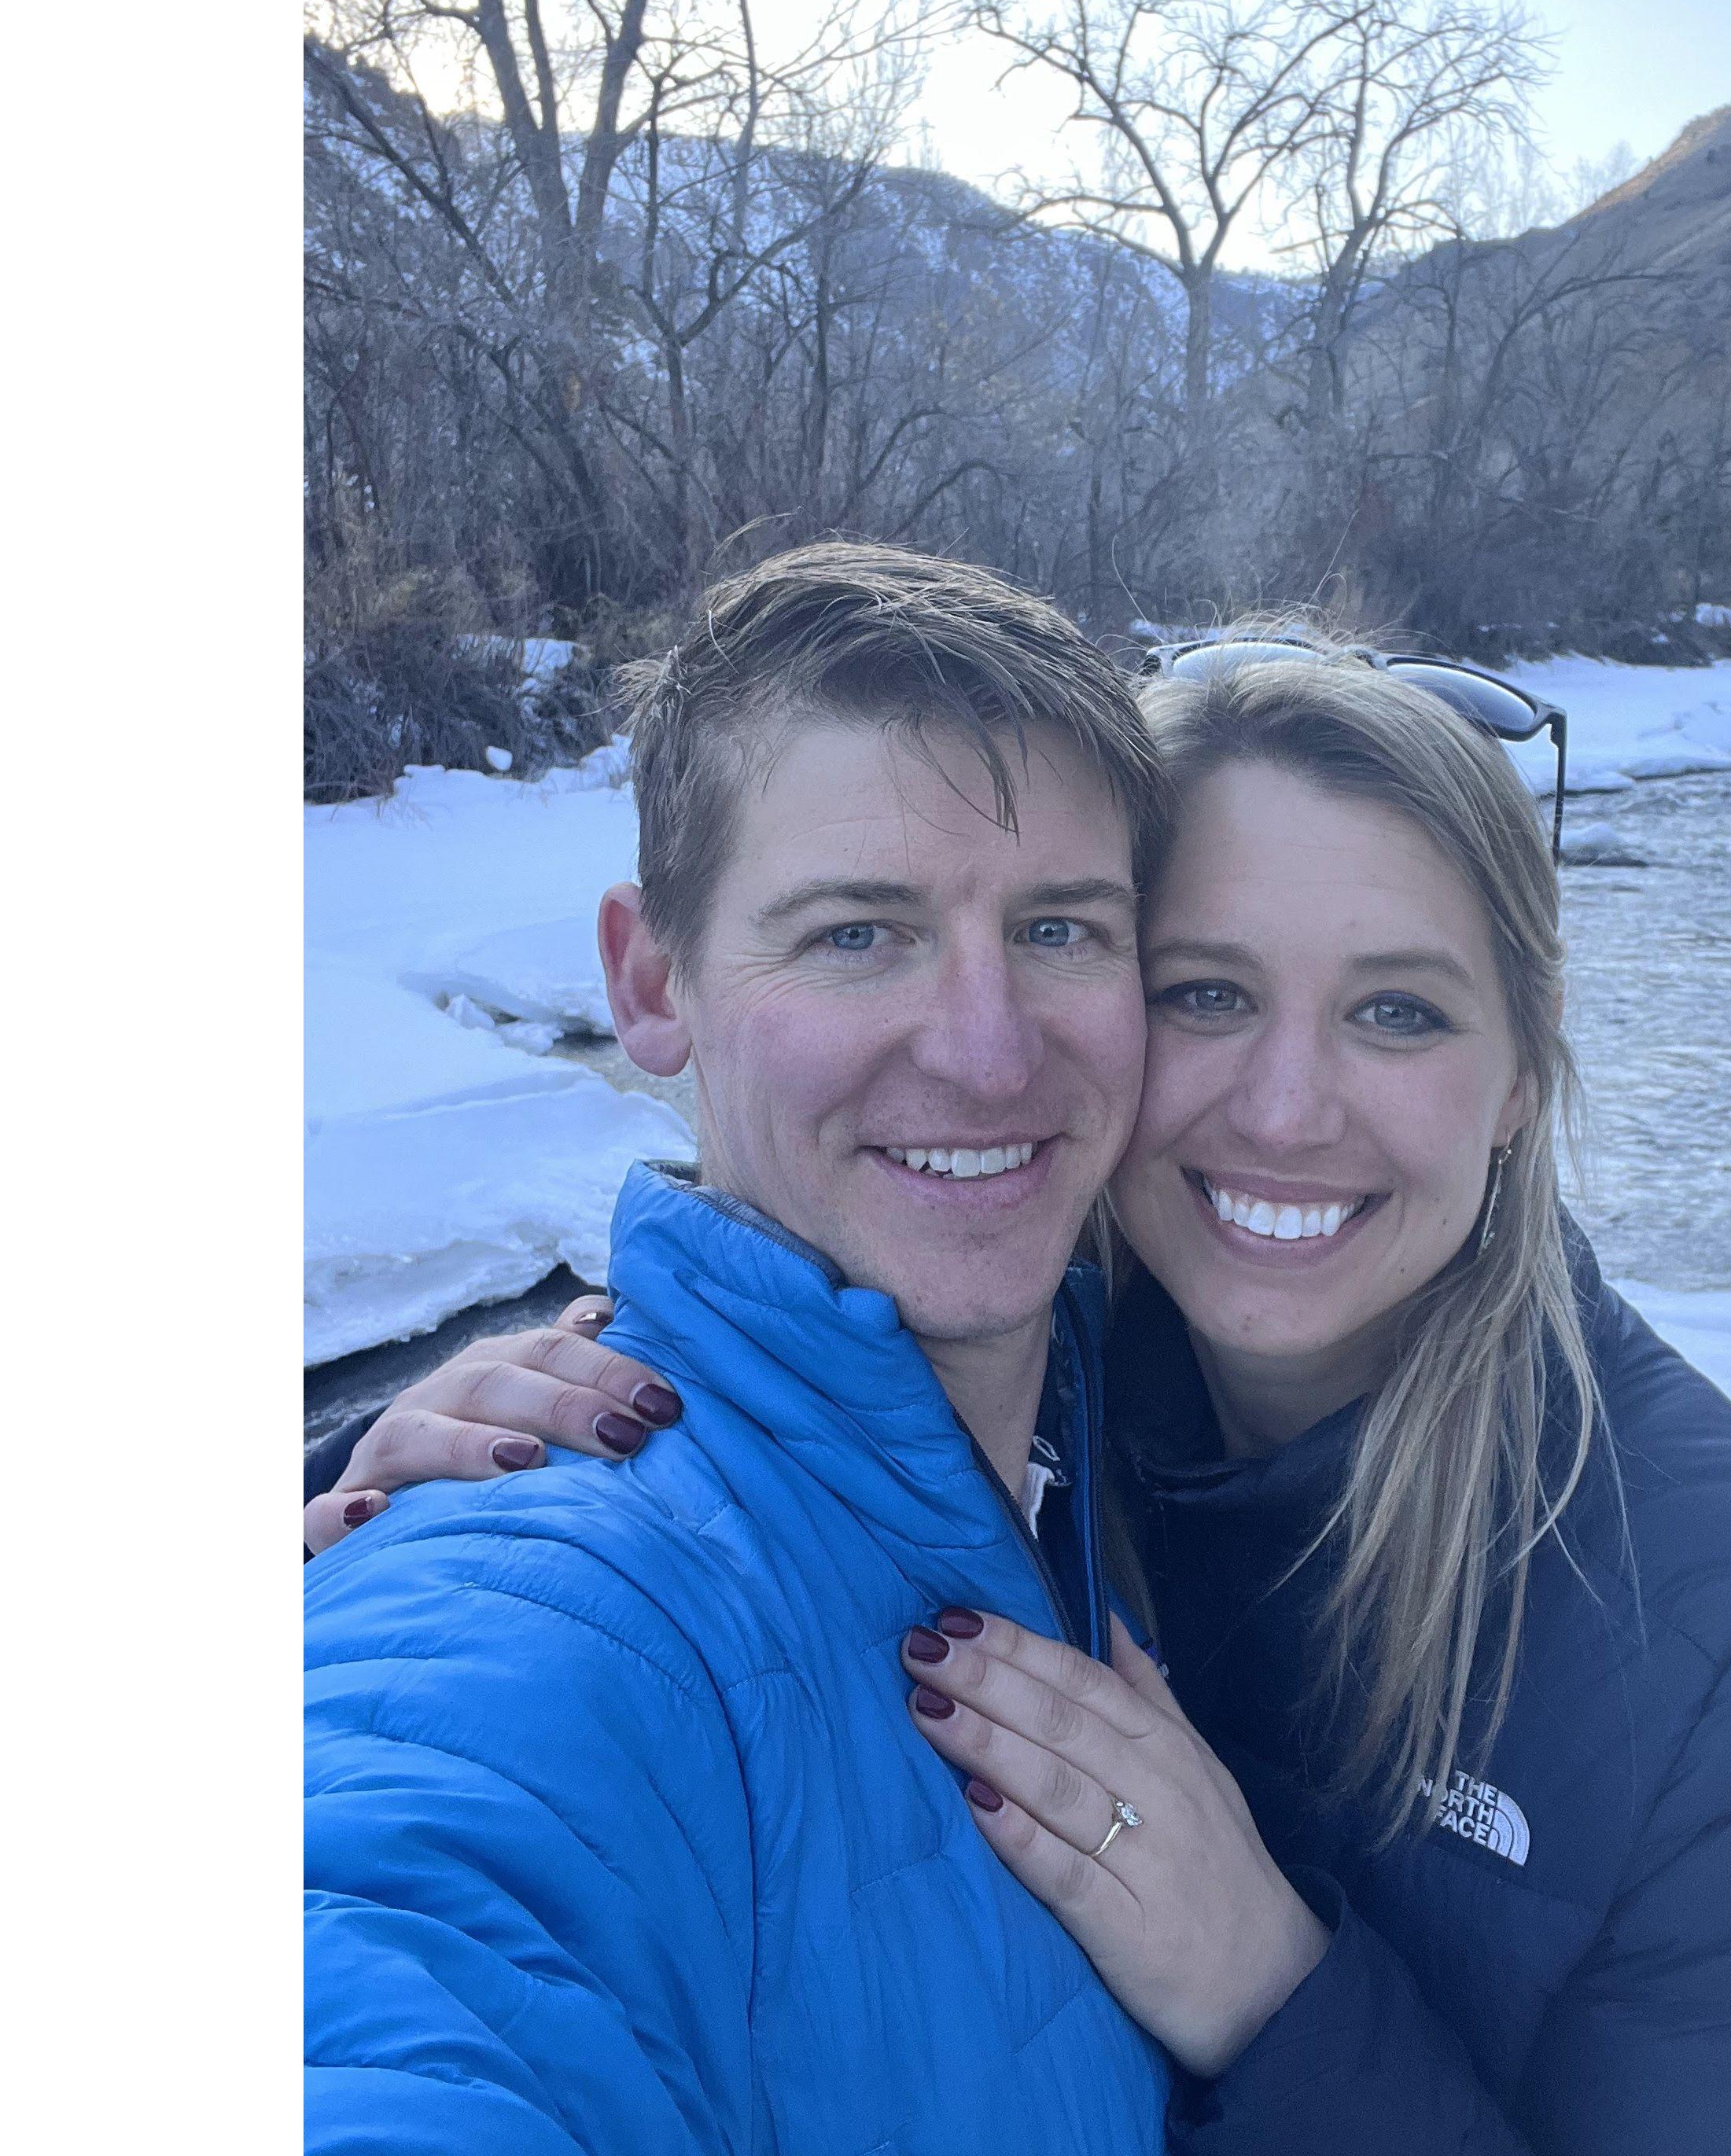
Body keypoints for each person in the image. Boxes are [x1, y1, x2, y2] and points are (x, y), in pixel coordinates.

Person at [312, 635, 1731, 2151]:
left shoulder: (1728, 1636)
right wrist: (374, 1508)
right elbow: (410, 1912)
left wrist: (1274, 1993)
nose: (1285, 1109)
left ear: (1520, 1064)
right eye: (1205, 991)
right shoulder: (1016, 1367)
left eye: (1396, 1009)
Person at [304, 543, 1238, 2154]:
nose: (988, 1043)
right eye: (855, 934)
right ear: (652, 982)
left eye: (1062, 929)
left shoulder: (1127, 1425)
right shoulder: (552, 1591)